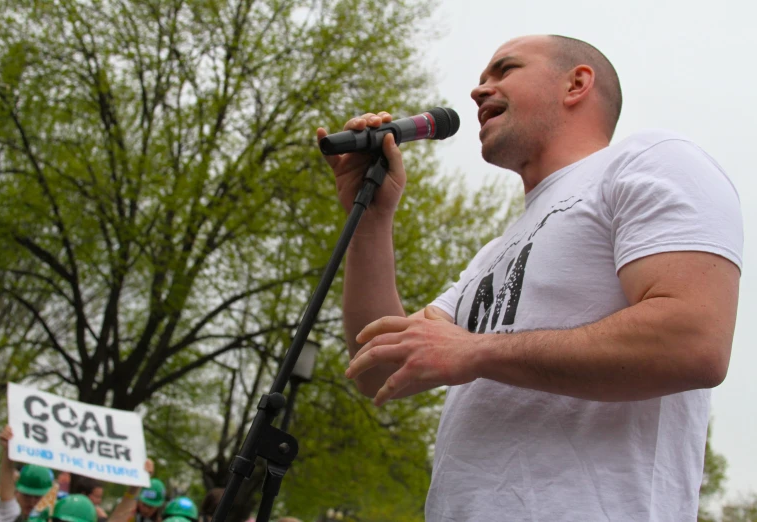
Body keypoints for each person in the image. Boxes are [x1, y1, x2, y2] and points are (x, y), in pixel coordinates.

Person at [317, 34, 742, 521]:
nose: (479, 91)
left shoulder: (652, 159)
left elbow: (693, 341)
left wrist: (475, 350)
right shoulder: (492, 256)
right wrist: (369, 218)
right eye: (479, 80)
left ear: (576, 83)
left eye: (504, 69)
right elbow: (378, 370)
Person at [0, 427, 54, 522]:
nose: (32, 501)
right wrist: (8, 450)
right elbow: (6, 492)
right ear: (17, 493)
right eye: (27, 496)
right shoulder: (12, 516)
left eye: (37, 497)